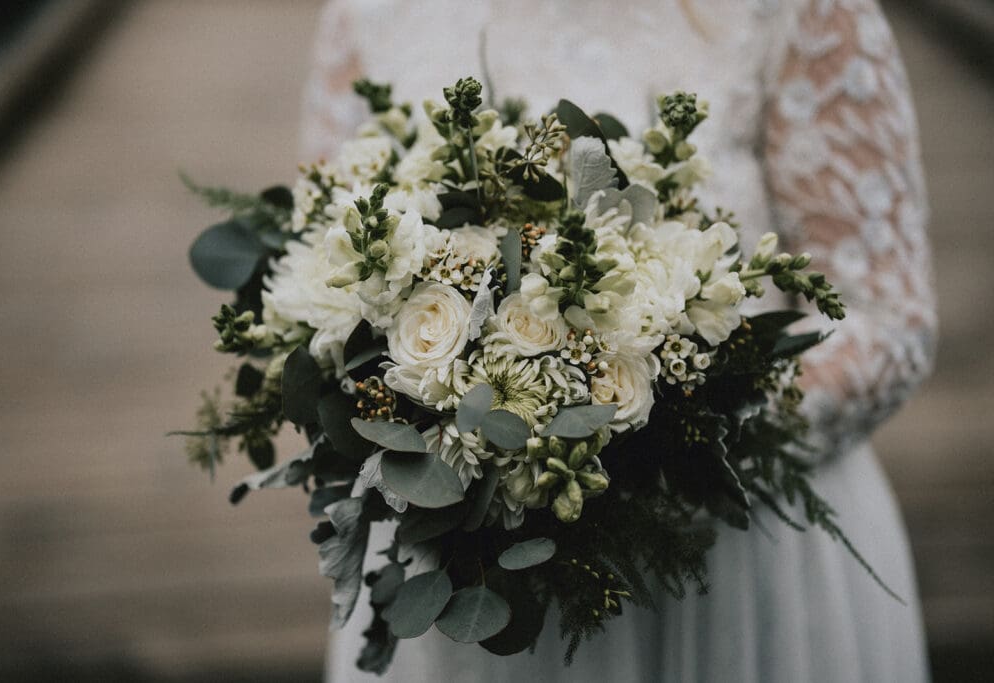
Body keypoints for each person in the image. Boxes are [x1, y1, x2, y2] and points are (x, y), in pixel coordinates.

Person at [301, 1, 936, 680]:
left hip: (727, 555)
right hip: (472, 573)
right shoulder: (370, 13)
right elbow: (322, 266)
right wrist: (450, 437)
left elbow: (885, 318)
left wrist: (665, 444)